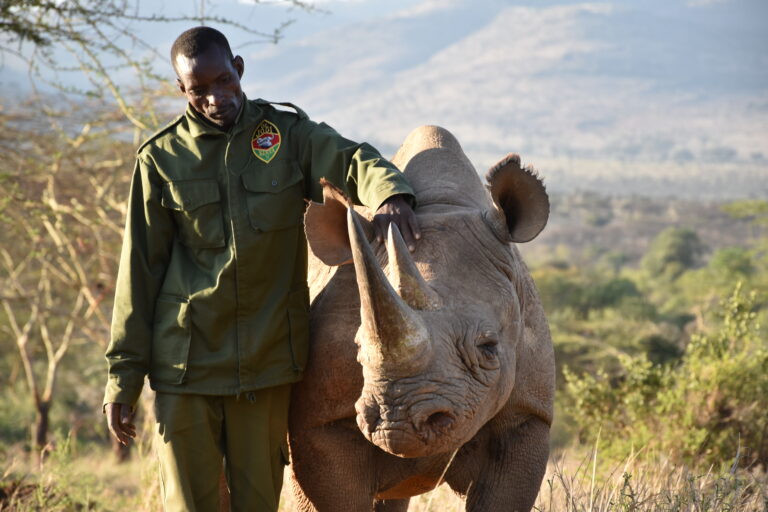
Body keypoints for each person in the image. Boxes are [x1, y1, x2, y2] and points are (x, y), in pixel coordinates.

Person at [102, 26, 419, 511]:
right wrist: (122, 379)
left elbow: (351, 158)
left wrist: (391, 193)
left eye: (224, 81)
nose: (215, 98)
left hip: (266, 367)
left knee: (258, 504)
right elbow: (138, 274)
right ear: (182, 91)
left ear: (240, 69)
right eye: (199, 90)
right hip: (185, 368)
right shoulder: (161, 159)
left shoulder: (286, 136)